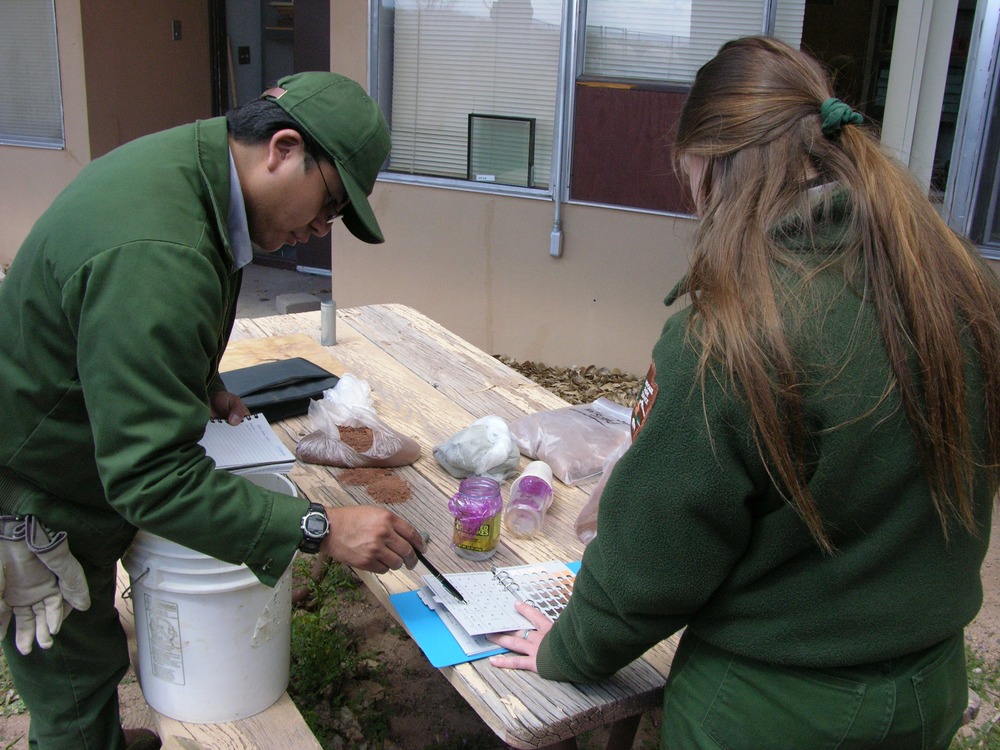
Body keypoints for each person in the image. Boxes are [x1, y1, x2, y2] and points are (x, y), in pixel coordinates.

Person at [488, 36, 1000, 749]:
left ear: (712, 165)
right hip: (929, 686)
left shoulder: (729, 334)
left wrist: (569, 647)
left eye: (688, 177)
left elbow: (654, 558)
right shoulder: (960, 285)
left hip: (773, 707)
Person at [0, 72, 426, 749]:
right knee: (71, 675)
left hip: (74, 437)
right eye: (329, 204)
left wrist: (193, 378)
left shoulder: (194, 173)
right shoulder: (160, 249)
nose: (320, 229)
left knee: (87, 651)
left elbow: (124, 323)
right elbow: (149, 478)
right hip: (37, 479)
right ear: (283, 148)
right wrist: (320, 529)